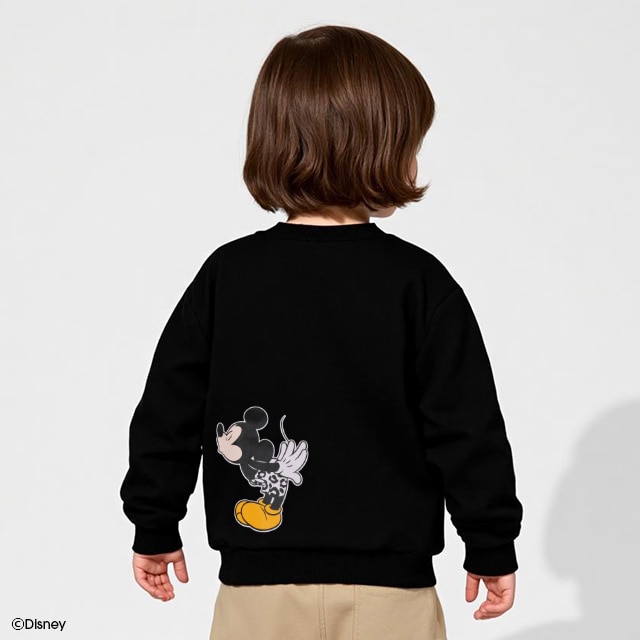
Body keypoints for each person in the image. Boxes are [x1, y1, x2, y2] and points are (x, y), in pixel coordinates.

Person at [120, 24, 524, 640]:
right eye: (411, 142)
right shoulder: (418, 283)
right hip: (392, 595)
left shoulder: (228, 276)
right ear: (379, 148)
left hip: (258, 593)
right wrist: (490, 542)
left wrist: (154, 522)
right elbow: (467, 429)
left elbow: (168, 413)